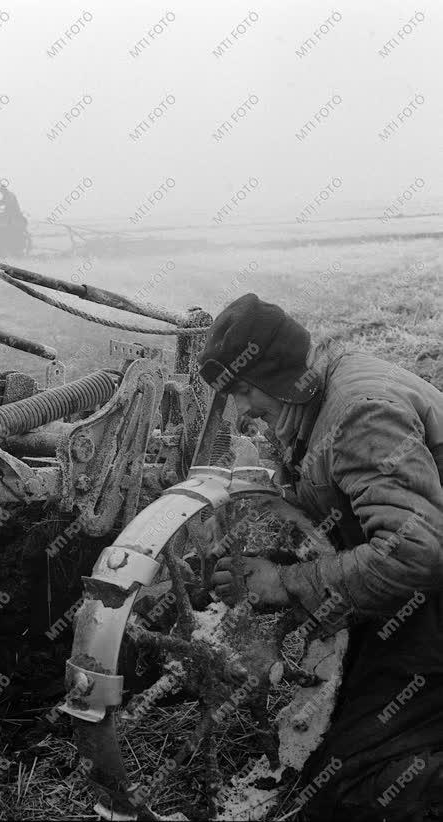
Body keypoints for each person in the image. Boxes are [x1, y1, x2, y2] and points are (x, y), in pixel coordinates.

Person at [198, 293, 443, 822]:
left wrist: (282, 583)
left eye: (243, 390)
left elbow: (416, 554)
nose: (242, 413)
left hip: (431, 593)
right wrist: (278, 560)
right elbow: (348, 521)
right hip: (421, 593)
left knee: (358, 788)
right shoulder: (323, 397)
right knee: (337, 745)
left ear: (283, 375)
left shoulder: (359, 414)